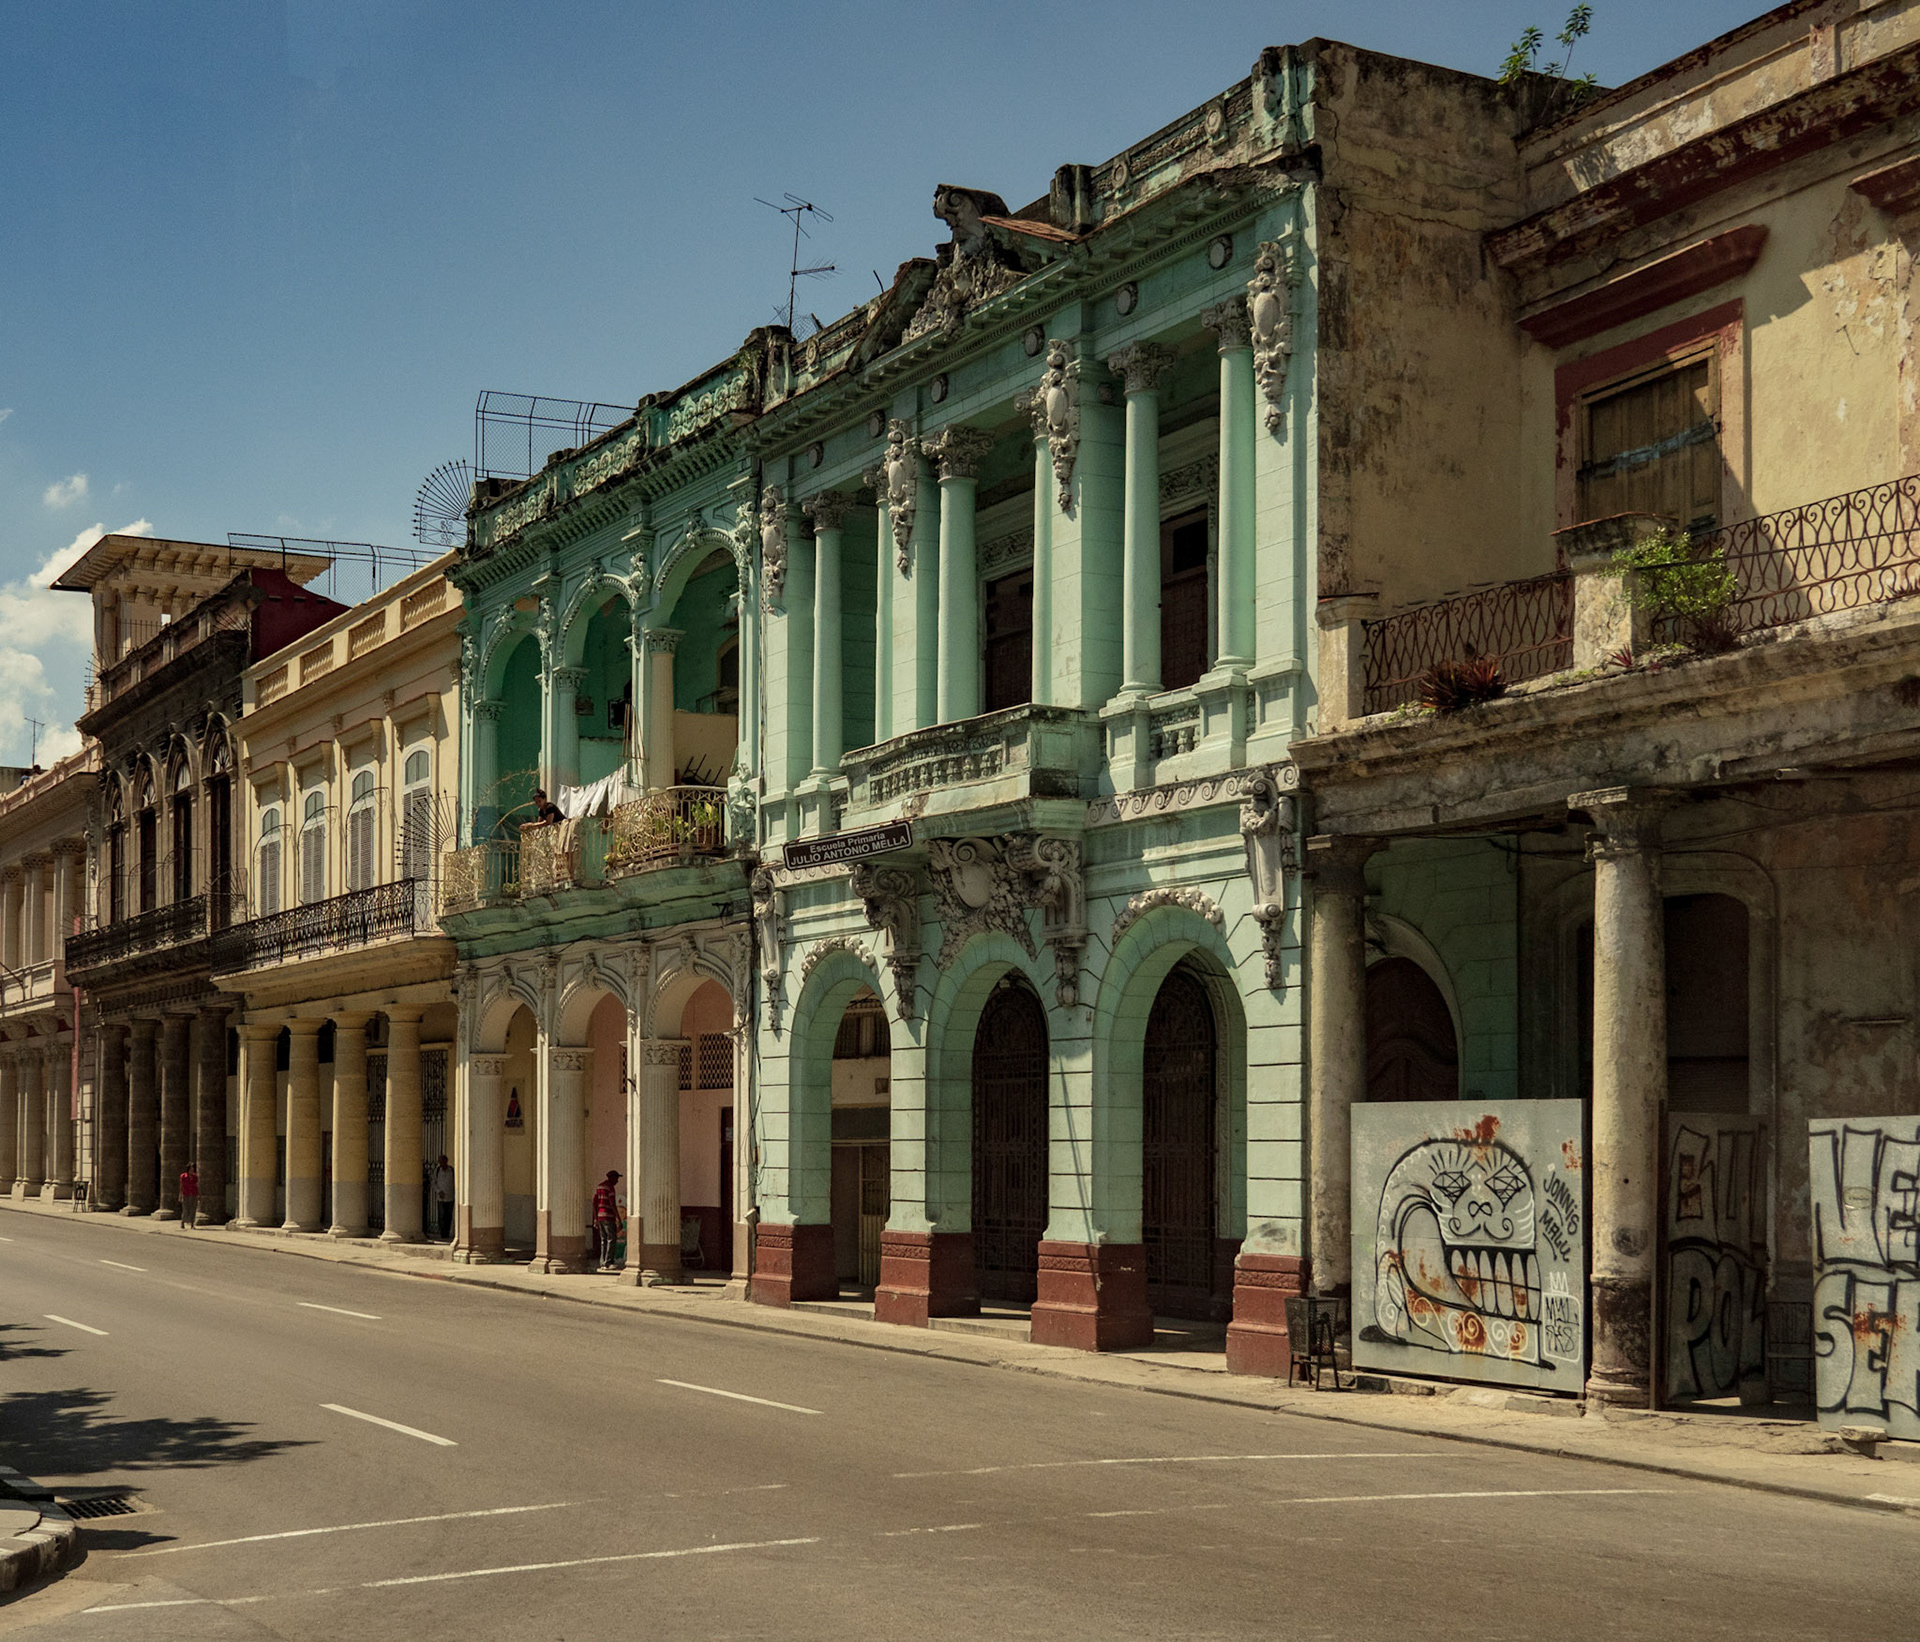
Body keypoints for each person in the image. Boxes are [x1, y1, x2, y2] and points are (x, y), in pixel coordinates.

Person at [592, 1170, 622, 1270]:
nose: (617, 1181)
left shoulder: (599, 1186)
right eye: (616, 1178)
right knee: (611, 1239)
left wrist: (596, 1218)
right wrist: (618, 1218)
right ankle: (609, 1262)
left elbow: (594, 1201)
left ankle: (602, 1262)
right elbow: (612, 1203)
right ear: (612, 1178)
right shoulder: (610, 1188)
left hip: (600, 1217)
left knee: (603, 1240)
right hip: (608, 1217)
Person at [432, 1154, 455, 1242]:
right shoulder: (437, 1171)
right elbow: (433, 1182)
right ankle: (443, 1233)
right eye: (440, 1162)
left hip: (450, 1196)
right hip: (441, 1197)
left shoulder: (451, 1171)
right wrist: (438, 1191)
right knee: (441, 1216)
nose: (441, 1163)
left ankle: (447, 1232)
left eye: (442, 1161)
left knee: (448, 1215)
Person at [178, 1163, 199, 1230]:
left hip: (193, 1194)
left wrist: (198, 1195)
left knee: (193, 1209)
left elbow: (196, 1186)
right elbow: (181, 1186)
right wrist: (180, 1195)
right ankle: (183, 1222)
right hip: (186, 1194)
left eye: (193, 1168)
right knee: (185, 1209)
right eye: (191, 1168)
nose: (192, 1170)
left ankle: (192, 1223)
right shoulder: (183, 1176)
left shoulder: (195, 1176)